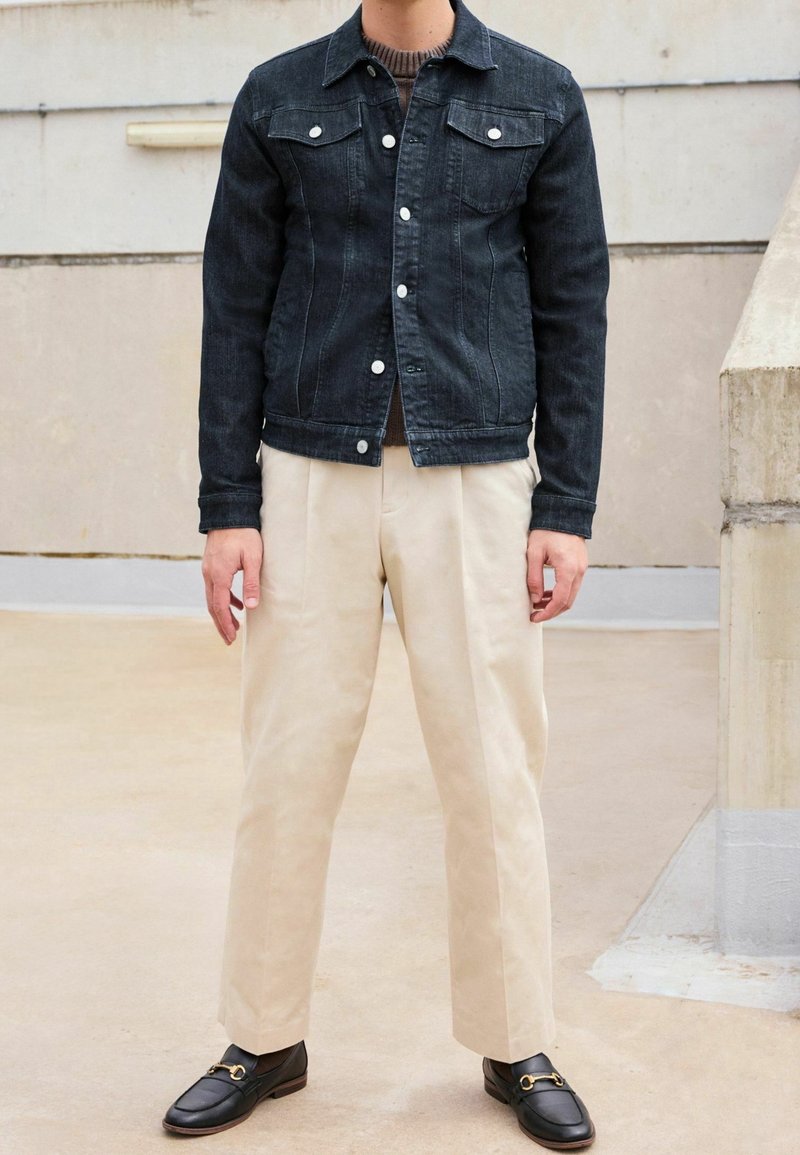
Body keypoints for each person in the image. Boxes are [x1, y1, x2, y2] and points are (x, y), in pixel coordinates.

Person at [162, 0, 608, 1146]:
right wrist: (227, 505)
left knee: (492, 769)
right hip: (307, 474)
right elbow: (233, 305)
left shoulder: (539, 95)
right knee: (286, 765)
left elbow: (572, 306)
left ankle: (514, 1041)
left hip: (477, 479)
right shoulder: (278, 96)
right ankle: (263, 1035)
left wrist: (563, 505)